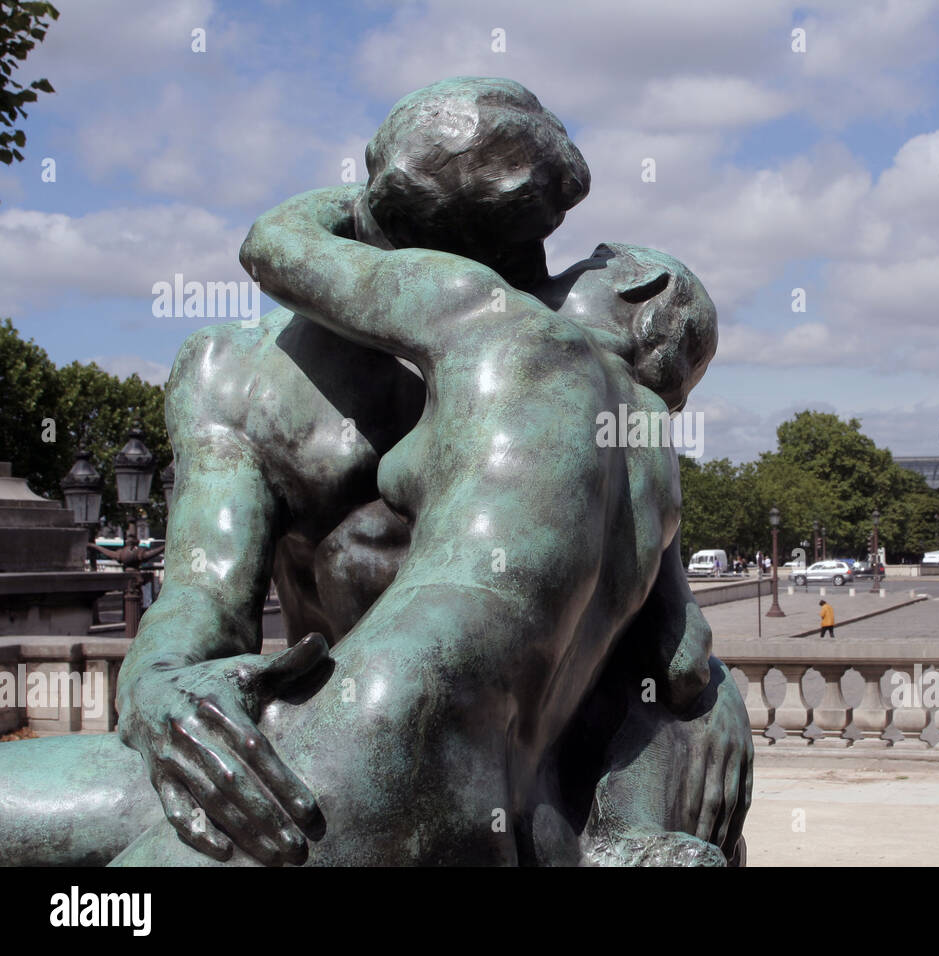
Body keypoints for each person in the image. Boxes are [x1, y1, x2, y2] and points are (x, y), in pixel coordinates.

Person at [0, 78, 749, 868]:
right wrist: (159, 688)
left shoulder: (541, 353)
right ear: (398, 234)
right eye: (495, 256)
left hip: (475, 776)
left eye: (537, 255)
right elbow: (201, 601)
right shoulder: (238, 374)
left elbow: (655, 606)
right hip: (323, 751)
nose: (523, 286)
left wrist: (710, 696)